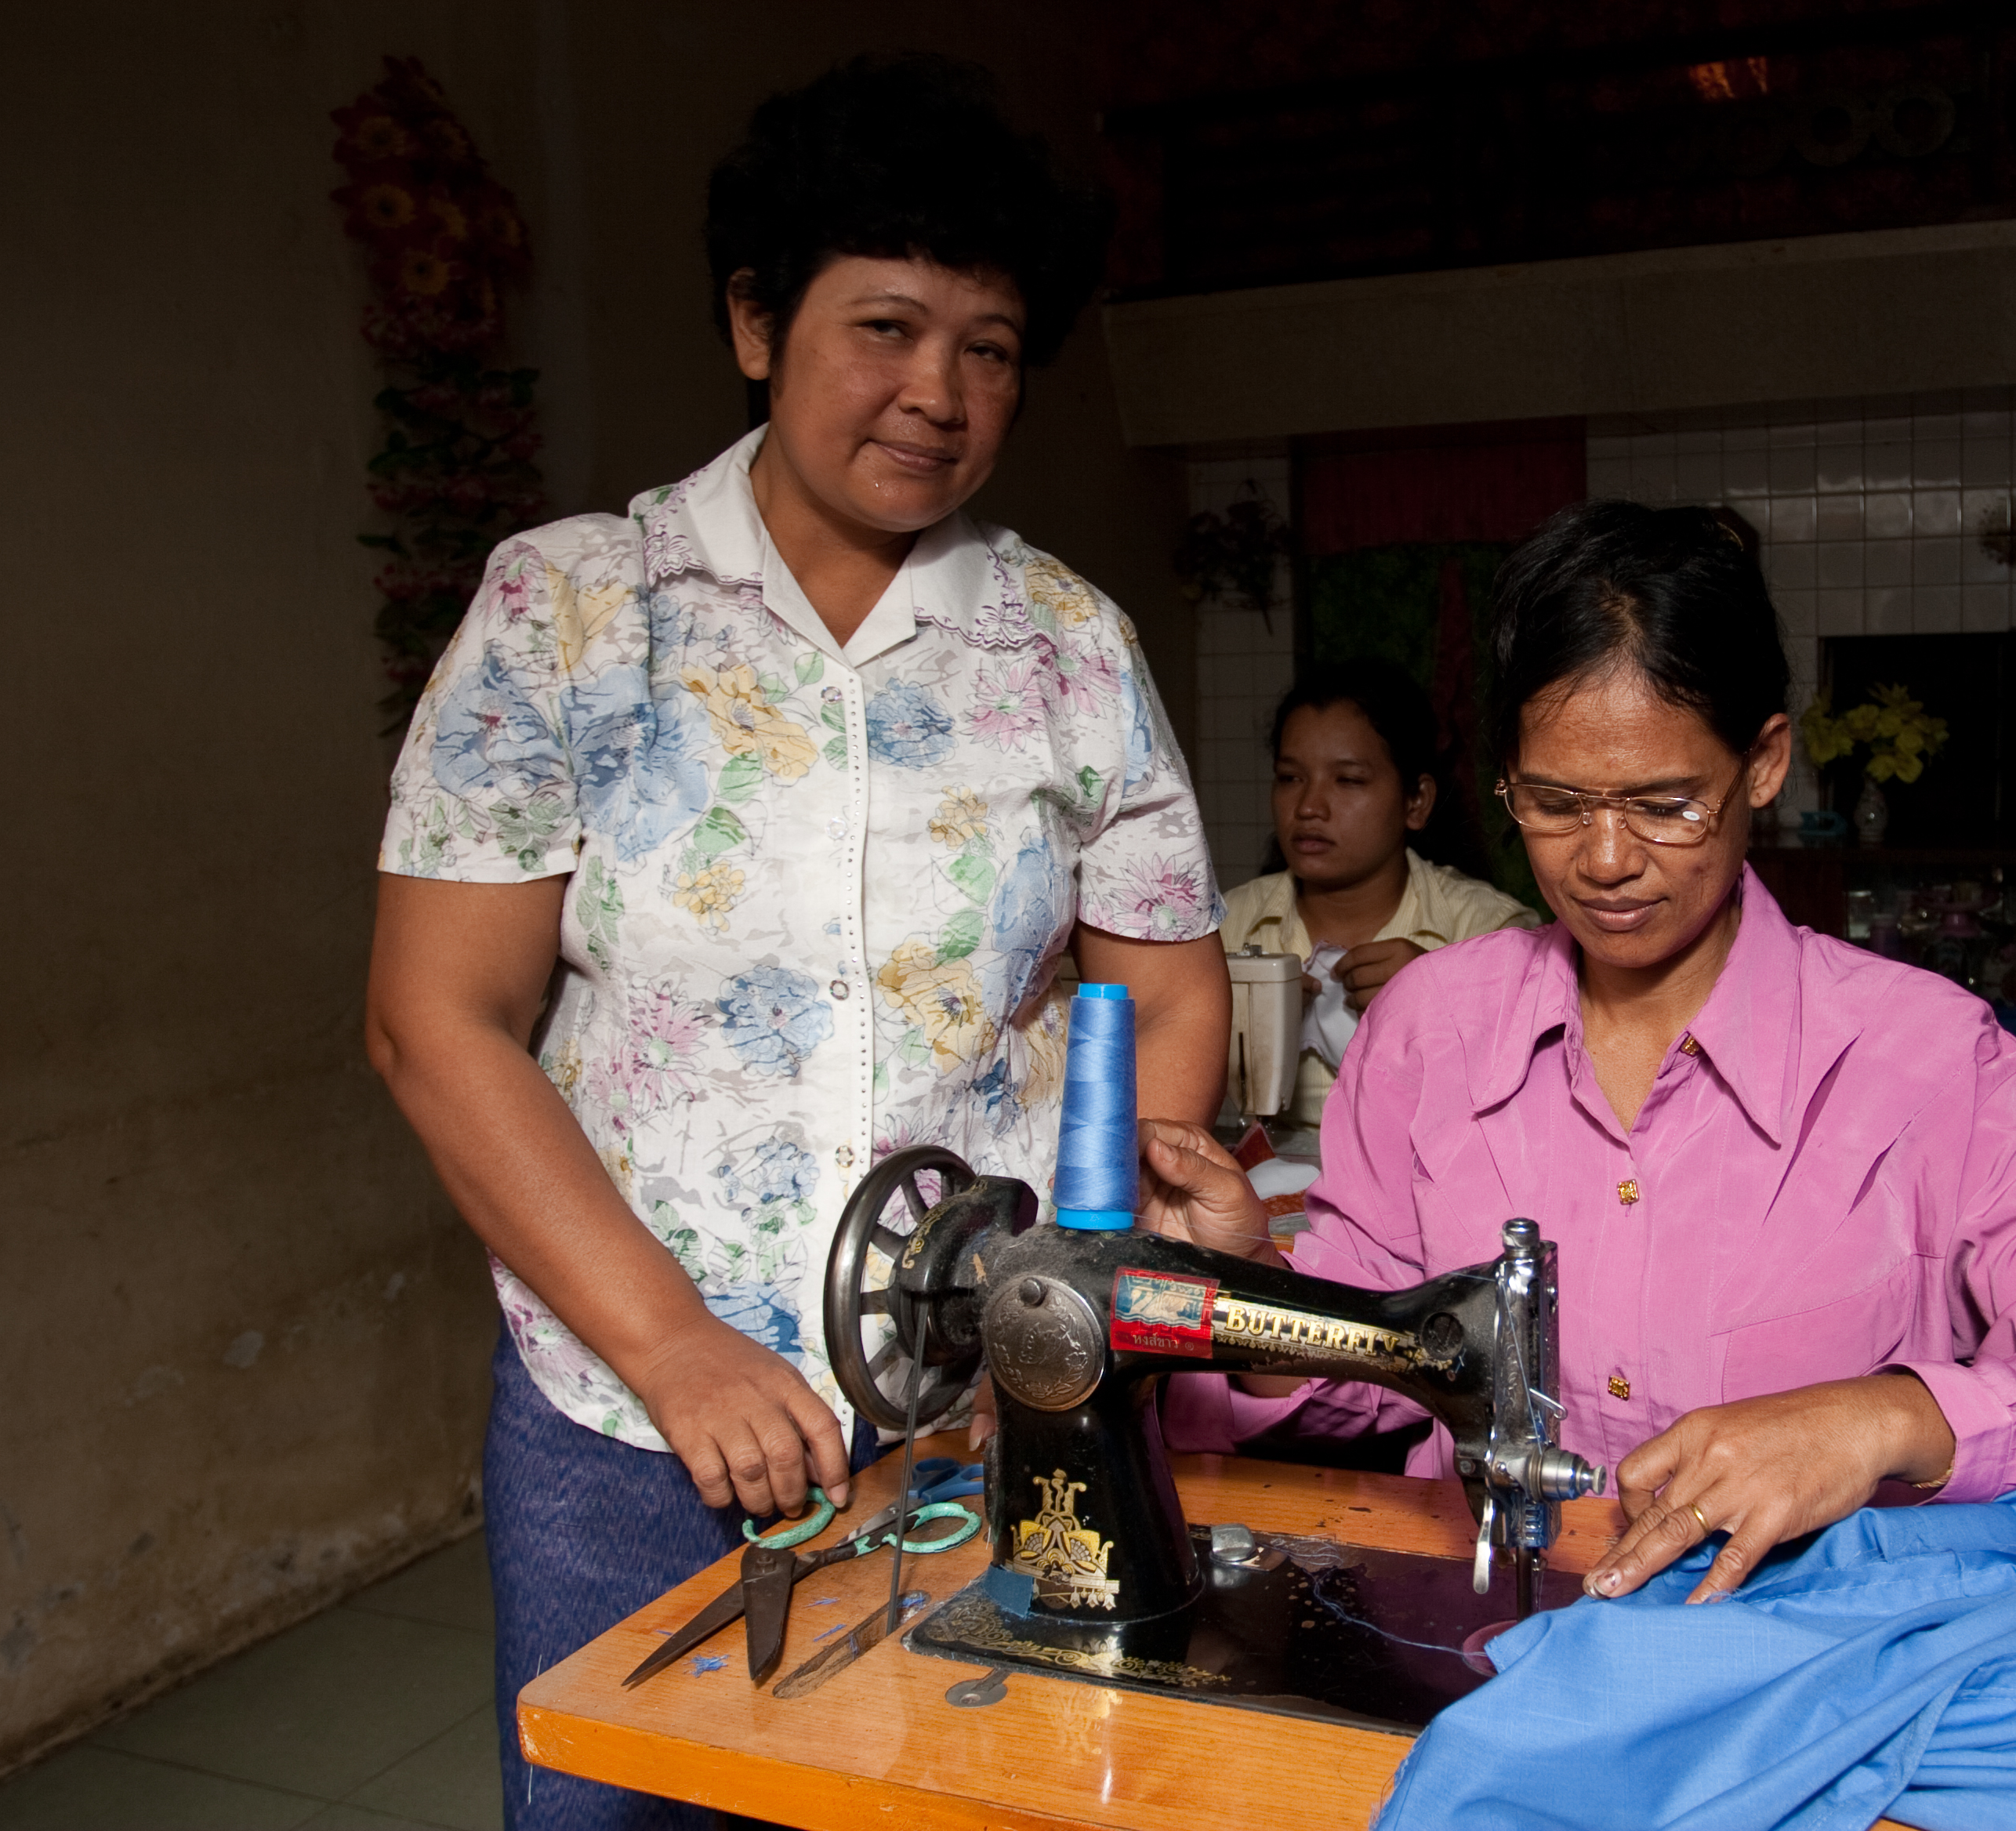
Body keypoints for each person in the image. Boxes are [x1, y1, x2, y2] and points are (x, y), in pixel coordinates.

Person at [363, 56, 1227, 1830]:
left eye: (988, 347)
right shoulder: (573, 607)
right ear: (756, 320)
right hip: (622, 1426)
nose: (937, 393)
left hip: (975, 1409)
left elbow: (1165, 992)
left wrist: (1077, 1292)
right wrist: (675, 1344)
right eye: (888, 327)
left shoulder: (1065, 645)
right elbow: (437, 1018)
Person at [1148, 501, 2016, 1606]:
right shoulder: (1432, 1030)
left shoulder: (1922, 1061)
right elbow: (1366, 1363)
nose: (1606, 862)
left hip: (1802, 1674)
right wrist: (1250, 1295)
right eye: (1555, 804)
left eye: (1665, 804)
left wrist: (1886, 1418)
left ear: (1763, 763)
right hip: (1489, 1642)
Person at [1220, 658, 1536, 1128]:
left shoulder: (1492, 934)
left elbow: (1537, 1107)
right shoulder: (1225, 927)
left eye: (1348, 780)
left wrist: (1440, 1001)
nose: (1308, 807)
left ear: (1416, 802)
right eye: (1290, 778)